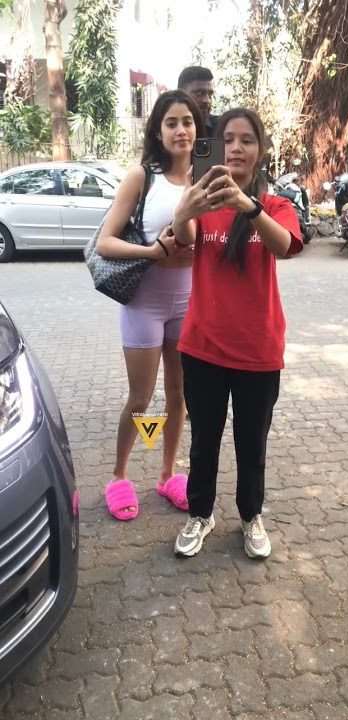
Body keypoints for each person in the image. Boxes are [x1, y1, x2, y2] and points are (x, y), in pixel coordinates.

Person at [171, 108, 303, 558]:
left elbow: (283, 246)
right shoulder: (203, 199)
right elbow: (184, 237)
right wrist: (185, 206)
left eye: (247, 140)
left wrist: (248, 205)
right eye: (227, 139)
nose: (236, 148)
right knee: (204, 440)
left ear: (260, 150)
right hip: (203, 346)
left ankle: (250, 516)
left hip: (258, 351)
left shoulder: (277, 204)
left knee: (252, 445)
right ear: (216, 146)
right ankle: (200, 514)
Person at [96, 89, 205, 521]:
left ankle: (166, 475)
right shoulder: (142, 177)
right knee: (141, 399)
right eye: (172, 123)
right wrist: (152, 253)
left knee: (178, 396)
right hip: (144, 302)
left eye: (188, 122)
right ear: (158, 132)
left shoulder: (210, 176)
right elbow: (105, 242)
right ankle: (119, 476)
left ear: (198, 129)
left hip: (189, 302)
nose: (181, 130)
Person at [177, 66, 219, 138]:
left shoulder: (220, 128)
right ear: (180, 93)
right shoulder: (162, 129)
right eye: (200, 93)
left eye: (210, 95)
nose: (207, 100)